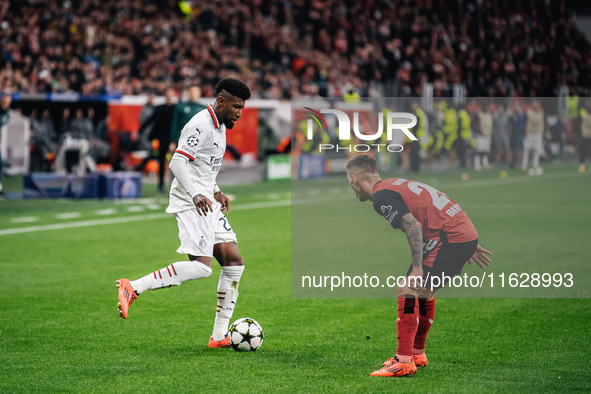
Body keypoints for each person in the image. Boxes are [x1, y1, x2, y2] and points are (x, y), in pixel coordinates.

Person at [116, 77, 252, 349]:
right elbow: (177, 162)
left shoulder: (221, 126)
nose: (239, 112)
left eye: (242, 108)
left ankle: (218, 336)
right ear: (221, 101)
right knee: (202, 267)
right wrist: (196, 194)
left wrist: (215, 190)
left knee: (234, 263)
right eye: (236, 106)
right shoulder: (201, 125)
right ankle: (133, 287)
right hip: (190, 200)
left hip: (205, 198)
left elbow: (203, 167)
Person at [345, 153, 492, 377]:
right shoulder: (394, 184)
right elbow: (433, 205)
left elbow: (413, 225)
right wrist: (468, 239)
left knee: (408, 287)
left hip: (449, 236)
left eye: (349, 182)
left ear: (355, 179)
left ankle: (403, 361)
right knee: (424, 291)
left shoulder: (380, 197)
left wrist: (417, 267)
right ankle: (416, 354)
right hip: (460, 232)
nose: (352, 188)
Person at [138, 88, 176, 193]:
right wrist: (140, 130)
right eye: (167, 93)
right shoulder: (159, 108)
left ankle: (175, 186)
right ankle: (160, 186)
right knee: (161, 161)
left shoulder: (176, 109)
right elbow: (150, 120)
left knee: (176, 163)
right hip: (162, 139)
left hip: (173, 140)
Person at [0, 94, 12, 195]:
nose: (5, 104)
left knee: (0, 163)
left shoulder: (6, 114)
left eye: (7, 103)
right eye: (4, 102)